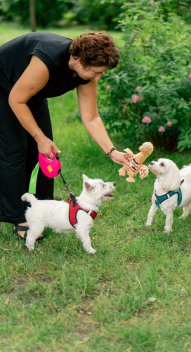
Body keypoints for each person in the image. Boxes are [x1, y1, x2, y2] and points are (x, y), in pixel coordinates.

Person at [0, 31, 131, 239]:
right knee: (14, 152)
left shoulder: (87, 70)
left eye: (101, 73)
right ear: (79, 60)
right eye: (96, 72)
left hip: (32, 94)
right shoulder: (47, 59)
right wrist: (39, 136)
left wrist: (112, 151)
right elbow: (17, 99)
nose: (98, 78)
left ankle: (43, 209)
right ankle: (18, 218)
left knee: (45, 156)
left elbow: (91, 117)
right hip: (5, 87)